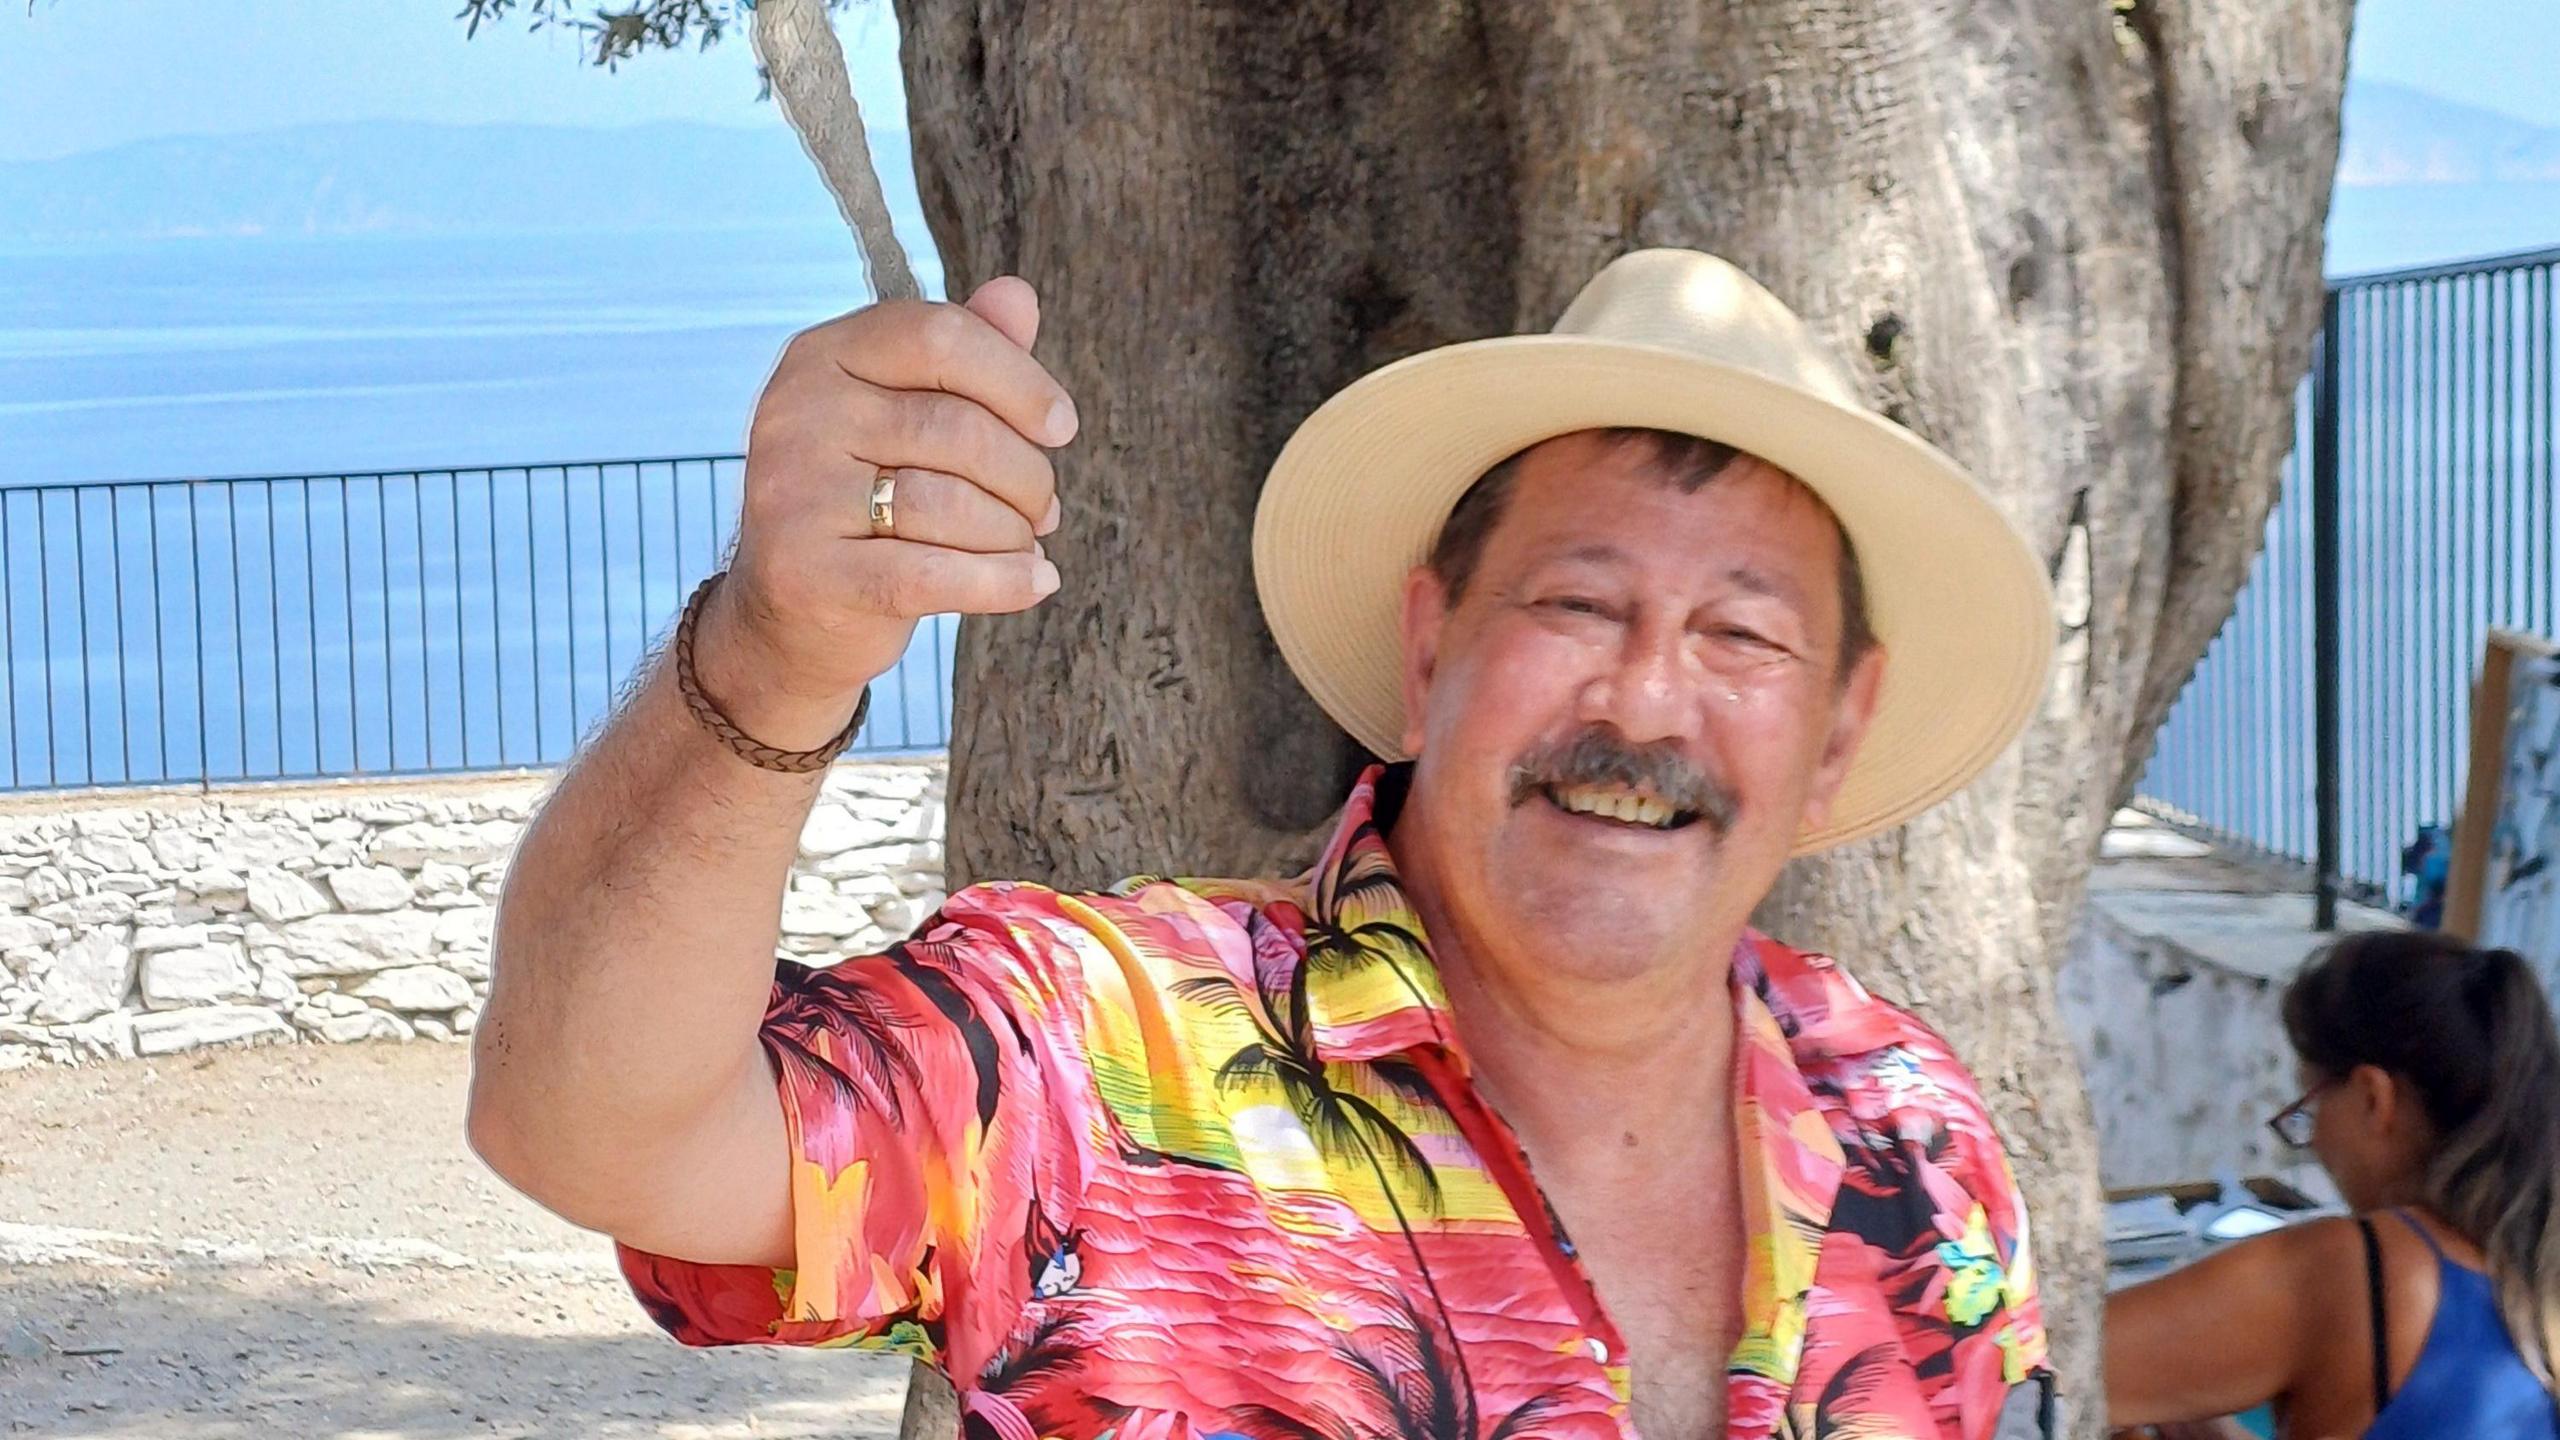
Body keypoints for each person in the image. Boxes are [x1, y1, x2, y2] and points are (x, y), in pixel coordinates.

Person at [466, 249, 2061, 1440]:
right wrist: (773, 650)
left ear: (1839, 730)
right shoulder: (1098, 1051)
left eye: (1742, 635)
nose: (1644, 698)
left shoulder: (1915, 1132)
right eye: (1577, 603)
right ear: (1430, 649)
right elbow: (594, 1128)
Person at [2106, 930, 2560, 1438]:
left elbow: (2044, 1356)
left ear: (2372, 1099)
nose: (2315, 1139)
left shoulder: (2366, 1270)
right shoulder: (2529, 1290)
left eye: (2310, 1104)